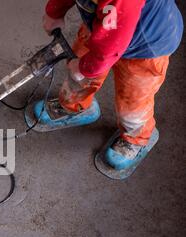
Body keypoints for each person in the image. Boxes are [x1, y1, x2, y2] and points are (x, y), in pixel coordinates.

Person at [34, 0, 183, 178]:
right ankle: (75, 107)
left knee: (132, 103)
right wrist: (55, 12)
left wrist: (84, 67)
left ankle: (135, 138)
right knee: (78, 72)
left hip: (146, 48)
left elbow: (111, 48)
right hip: (103, 28)